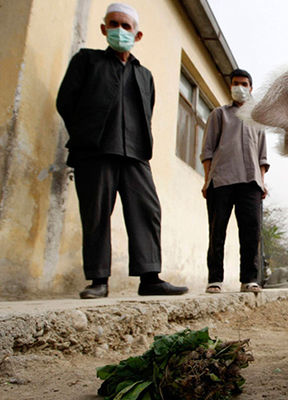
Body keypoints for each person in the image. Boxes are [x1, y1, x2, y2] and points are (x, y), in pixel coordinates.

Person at [56, 3, 188, 299]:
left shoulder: (145, 75)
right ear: (104, 29)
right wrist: (86, 133)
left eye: (126, 26)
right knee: (97, 215)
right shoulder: (87, 61)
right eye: (113, 24)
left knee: (147, 210)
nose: (119, 30)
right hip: (95, 150)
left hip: (136, 153)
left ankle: (150, 277)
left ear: (137, 35)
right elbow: (66, 102)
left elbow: (147, 110)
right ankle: (98, 280)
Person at [200, 69, 269, 293]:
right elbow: (208, 150)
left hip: (250, 182)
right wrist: (206, 180)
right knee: (216, 231)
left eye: (244, 84)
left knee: (251, 232)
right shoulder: (219, 115)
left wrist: (262, 181)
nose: (239, 87)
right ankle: (214, 280)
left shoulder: (257, 120)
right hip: (221, 180)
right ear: (231, 87)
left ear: (251, 88)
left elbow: (262, 156)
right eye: (235, 83)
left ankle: (249, 279)